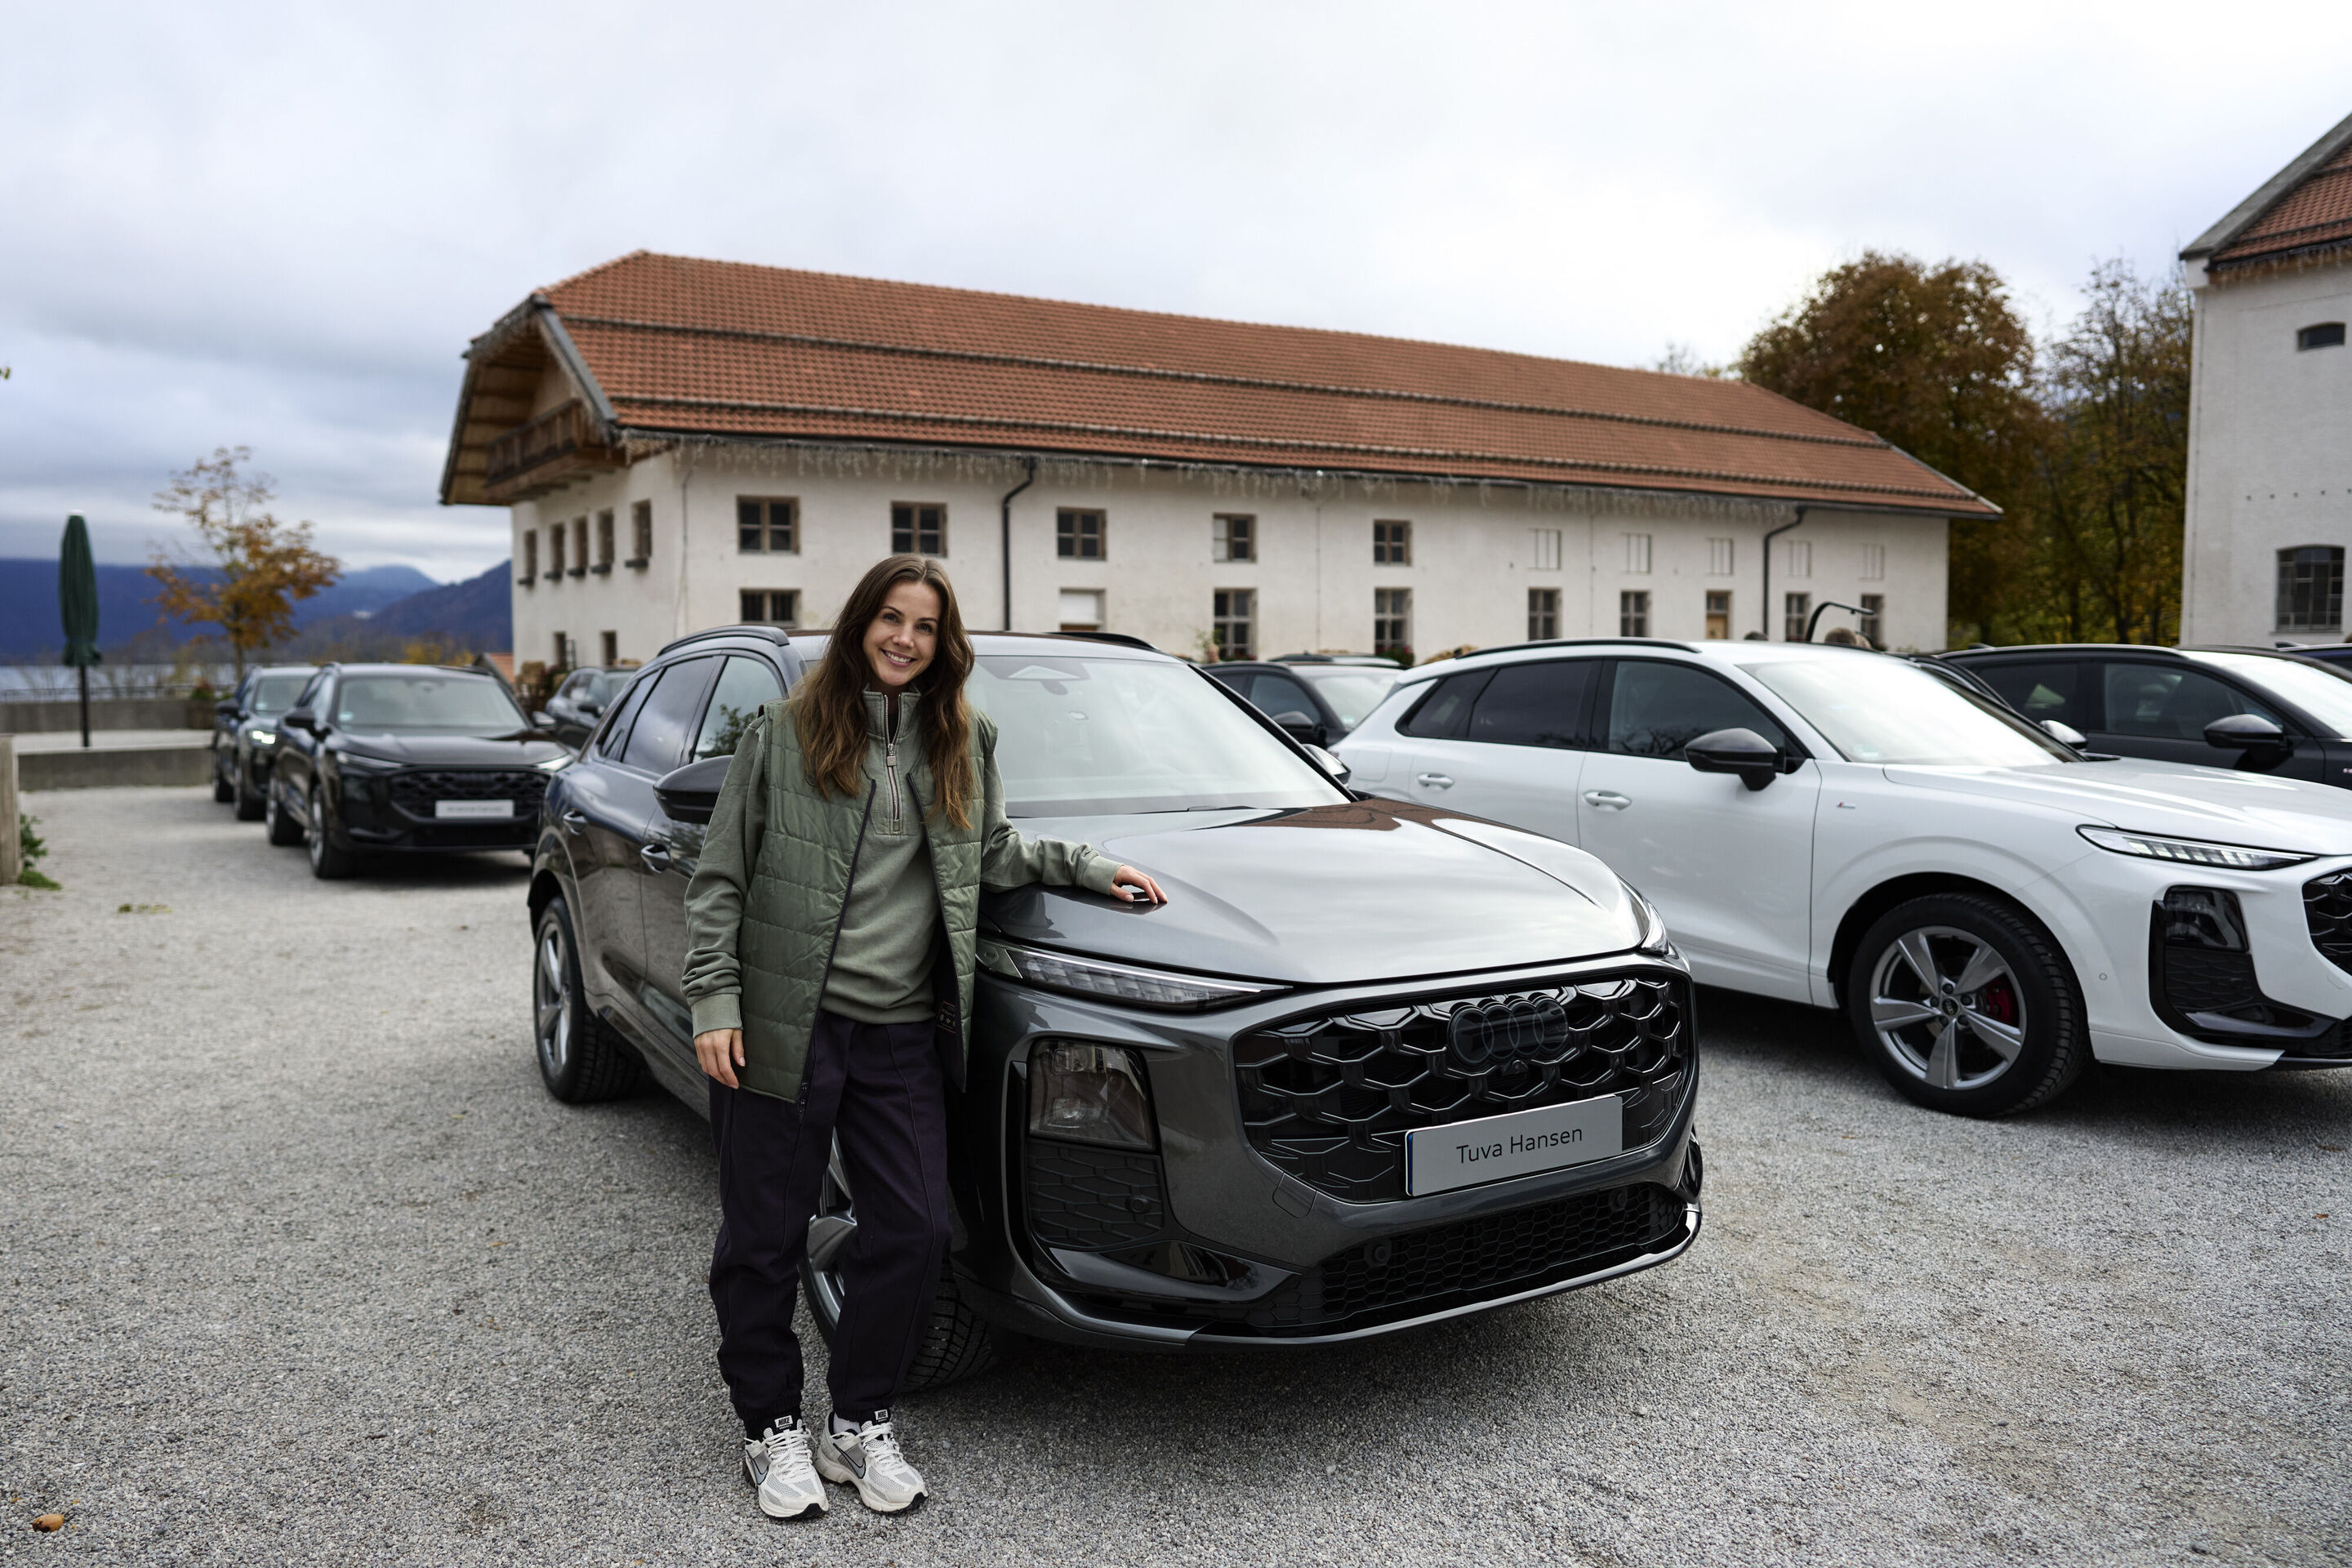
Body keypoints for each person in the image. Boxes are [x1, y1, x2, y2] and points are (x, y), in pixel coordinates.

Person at [680, 554, 1166, 1520]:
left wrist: (1086, 865)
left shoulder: (962, 737)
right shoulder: (782, 734)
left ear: (946, 644)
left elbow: (986, 849)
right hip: (786, 1025)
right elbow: (719, 879)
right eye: (890, 619)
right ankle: (770, 1428)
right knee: (764, 1239)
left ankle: (858, 1422)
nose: (905, 639)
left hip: (901, 1031)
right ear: (861, 622)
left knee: (916, 1231)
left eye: (925, 626)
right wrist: (715, 1001)